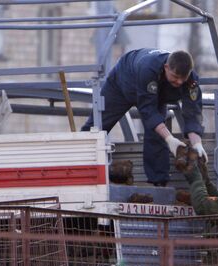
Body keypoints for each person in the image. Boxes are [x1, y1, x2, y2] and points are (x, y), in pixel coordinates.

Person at [81, 48, 206, 186]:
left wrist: (197, 143)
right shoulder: (148, 68)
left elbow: (193, 113)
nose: (179, 82)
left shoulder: (191, 81)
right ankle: (79, 165)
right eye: (176, 77)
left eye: (183, 78)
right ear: (166, 67)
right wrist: (170, 139)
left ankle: (159, 183)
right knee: (97, 126)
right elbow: (148, 110)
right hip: (123, 82)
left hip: (156, 93)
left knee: (156, 133)